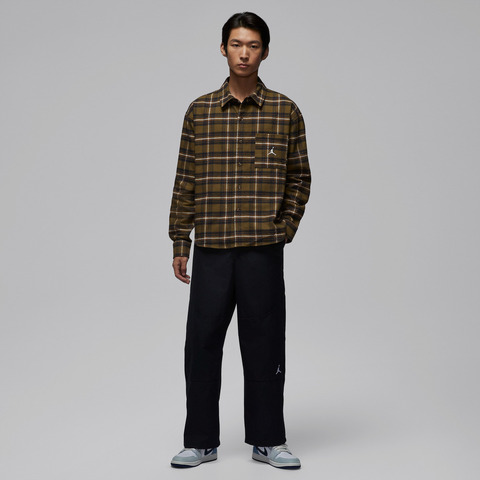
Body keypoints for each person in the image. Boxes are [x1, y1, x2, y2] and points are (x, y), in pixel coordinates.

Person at [168, 12, 311, 470]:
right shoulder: (200, 111)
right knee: (201, 345)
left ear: (265, 52)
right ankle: (200, 441)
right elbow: (185, 179)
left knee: (265, 344)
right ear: (223, 49)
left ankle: (268, 440)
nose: (244, 53)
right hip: (212, 248)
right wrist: (180, 240)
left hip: (261, 251)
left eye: (252, 45)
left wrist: (282, 230)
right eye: (236, 44)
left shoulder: (285, 111)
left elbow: (300, 178)